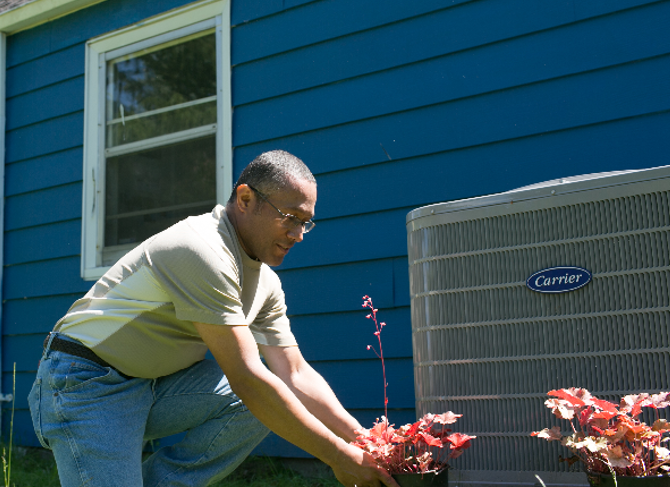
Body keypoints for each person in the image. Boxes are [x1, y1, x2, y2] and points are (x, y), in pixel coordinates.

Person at [28, 150, 396, 487]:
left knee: (263, 404)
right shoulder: (202, 249)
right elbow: (248, 378)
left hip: (151, 384)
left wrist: (364, 440)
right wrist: (338, 456)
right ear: (246, 198)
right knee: (257, 394)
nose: (298, 235)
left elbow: (294, 374)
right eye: (290, 218)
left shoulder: (265, 282)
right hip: (83, 380)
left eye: (306, 223)